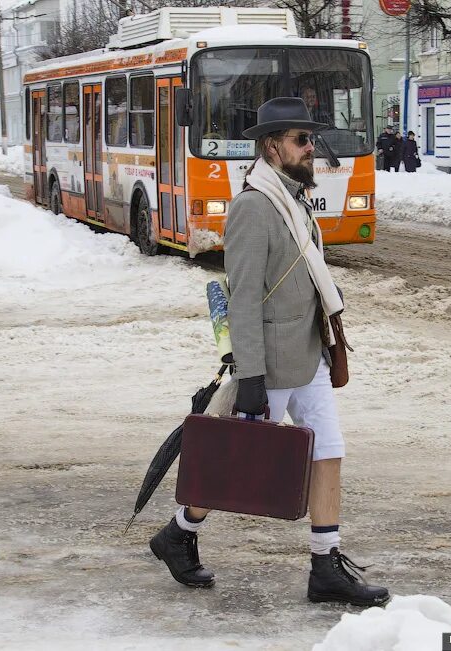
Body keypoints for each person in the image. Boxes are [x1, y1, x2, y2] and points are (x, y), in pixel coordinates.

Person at [149, 97, 390, 608]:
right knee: (237, 463)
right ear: (272, 147)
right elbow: (243, 297)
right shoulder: (254, 206)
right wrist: (252, 374)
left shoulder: (294, 198)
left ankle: (326, 565)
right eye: (302, 140)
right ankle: (178, 532)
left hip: (309, 355)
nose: (311, 149)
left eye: (312, 139)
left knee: (327, 451)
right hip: (273, 362)